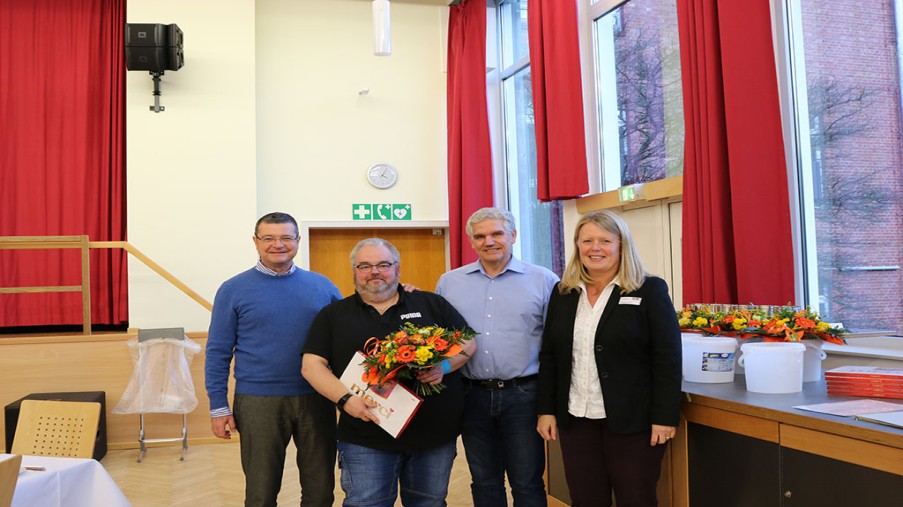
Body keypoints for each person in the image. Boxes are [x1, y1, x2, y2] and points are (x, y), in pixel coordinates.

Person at [301, 238, 476, 507]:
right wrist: (347, 401)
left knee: (429, 504)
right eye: (365, 266)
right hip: (365, 436)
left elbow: (467, 341)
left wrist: (443, 366)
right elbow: (311, 365)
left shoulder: (431, 304)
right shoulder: (333, 315)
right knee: (365, 504)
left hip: (433, 436)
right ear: (354, 271)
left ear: (397, 269)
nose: (375, 271)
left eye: (383, 264)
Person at [536, 210, 682, 507]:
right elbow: (551, 355)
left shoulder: (649, 289)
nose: (596, 248)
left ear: (621, 245)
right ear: (577, 246)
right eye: (587, 240)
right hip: (576, 419)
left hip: (633, 422)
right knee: (586, 499)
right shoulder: (563, 292)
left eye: (605, 240)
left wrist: (664, 417)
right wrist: (546, 410)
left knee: (636, 498)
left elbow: (667, 358)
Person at [204, 212, 342, 507]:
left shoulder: (323, 286)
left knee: (320, 491)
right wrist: (218, 407)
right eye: (268, 238)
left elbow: (345, 340)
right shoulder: (233, 289)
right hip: (258, 402)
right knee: (261, 492)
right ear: (256, 242)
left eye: (286, 237)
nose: (277, 244)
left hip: (317, 398)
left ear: (297, 241)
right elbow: (217, 351)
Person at [435, 207, 558, 507]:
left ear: (513, 236)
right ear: (472, 242)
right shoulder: (449, 283)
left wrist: (550, 405)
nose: (489, 241)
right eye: (480, 236)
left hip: (525, 396)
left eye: (496, 233)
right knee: (485, 481)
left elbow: (557, 345)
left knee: (527, 481)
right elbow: (437, 336)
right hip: (471, 396)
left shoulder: (544, 280)